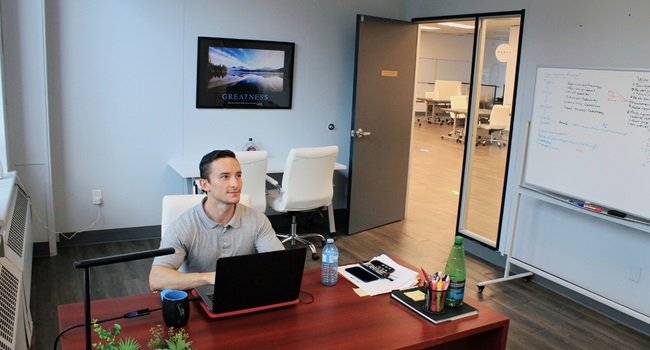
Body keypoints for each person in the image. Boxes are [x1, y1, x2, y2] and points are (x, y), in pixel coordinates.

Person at [149, 150, 284, 291]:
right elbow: (156, 279)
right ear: (205, 185)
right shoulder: (183, 226)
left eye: (238, 175)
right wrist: (209, 277)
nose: (235, 184)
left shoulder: (257, 219)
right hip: (199, 300)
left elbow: (281, 265)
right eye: (225, 177)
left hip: (244, 292)